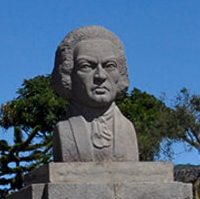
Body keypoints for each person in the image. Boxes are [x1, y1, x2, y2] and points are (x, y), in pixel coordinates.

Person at [51, 25, 138, 163]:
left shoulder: (128, 129)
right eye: (86, 66)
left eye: (109, 65)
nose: (100, 75)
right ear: (68, 75)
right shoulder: (64, 131)